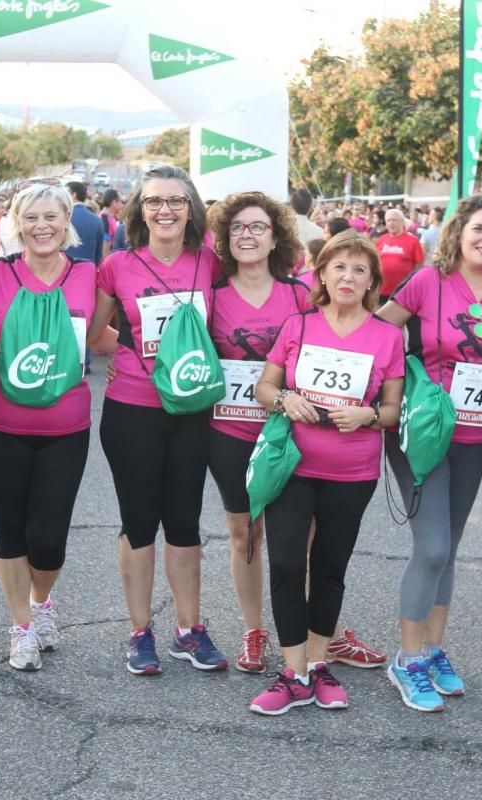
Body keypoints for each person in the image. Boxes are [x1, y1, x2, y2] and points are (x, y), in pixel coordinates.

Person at [376, 194, 482, 713]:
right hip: (422, 431)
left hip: (475, 433)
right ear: (459, 232)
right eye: (479, 229)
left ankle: (434, 650)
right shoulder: (428, 281)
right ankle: (408, 659)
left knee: (451, 546)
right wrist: (396, 384)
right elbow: (376, 331)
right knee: (433, 547)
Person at [250, 230, 404, 715]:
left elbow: (394, 409)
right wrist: (283, 399)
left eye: (360, 270)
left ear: (372, 281)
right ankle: (292, 673)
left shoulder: (387, 336)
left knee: (331, 569)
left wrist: (369, 416)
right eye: (339, 266)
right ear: (321, 274)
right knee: (289, 565)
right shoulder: (297, 326)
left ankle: (318, 665)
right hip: (293, 465)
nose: (348, 276)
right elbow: (263, 386)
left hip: (352, 472)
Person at [87, 164, 228, 676]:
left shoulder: (210, 264)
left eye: (175, 200)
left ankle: (189, 630)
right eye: (154, 201)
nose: (165, 210)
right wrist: (138, 361)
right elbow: (96, 333)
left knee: (186, 522)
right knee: (139, 522)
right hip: (132, 411)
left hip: (192, 413)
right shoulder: (118, 266)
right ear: (139, 211)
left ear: (191, 208)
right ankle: (140, 631)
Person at [0, 184, 95, 672]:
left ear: (68, 223)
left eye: (52, 217)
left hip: (67, 426)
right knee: (10, 528)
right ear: (16, 224)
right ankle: (22, 626)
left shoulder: (89, 276)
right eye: (31, 217)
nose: (41, 226)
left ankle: (41, 601)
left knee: (50, 536)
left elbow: (108, 334)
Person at [206, 192, 308, 673]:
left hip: (289, 430)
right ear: (226, 239)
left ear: (275, 237)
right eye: (238, 228)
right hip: (228, 429)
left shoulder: (299, 294)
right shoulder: (212, 295)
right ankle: (253, 630)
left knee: (301, 535)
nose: (247, 235)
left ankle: (309, 630)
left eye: (257, 227)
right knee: (244, 531)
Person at [375, 208, 424, 301]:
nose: (391, 223)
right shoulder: (380, 240)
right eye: (388, 220)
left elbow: (419, 265)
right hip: (382, 291)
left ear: (402, 222)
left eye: (394, 220)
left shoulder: (412, 241)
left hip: (403, 291)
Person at [66, 181, 104, 266]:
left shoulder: (64, 217)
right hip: (88, 270)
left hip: (64, 271)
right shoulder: (97, 219)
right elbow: (98, 254)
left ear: (73, 195)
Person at [99, 188, 125, 260]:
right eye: (121, 201)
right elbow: (105, 250)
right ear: (114, 203)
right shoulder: (104, 219)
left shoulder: (111, 218)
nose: (122, 204)